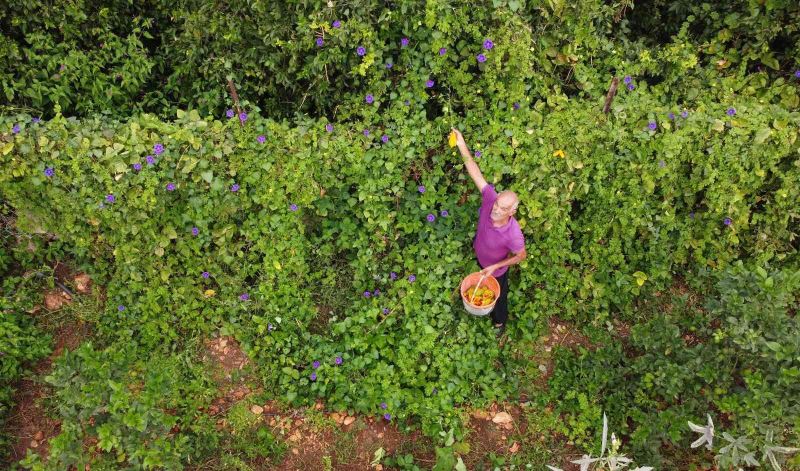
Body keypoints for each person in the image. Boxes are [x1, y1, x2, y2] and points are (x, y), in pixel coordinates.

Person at [451, 128, 526, 338]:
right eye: (497, 204)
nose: (495, 209)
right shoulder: (491, 198)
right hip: (481, 251)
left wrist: (496, 266)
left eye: (503, 209)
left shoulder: (513, 234)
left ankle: (500, 322)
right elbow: (474, 170)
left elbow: (521, 256)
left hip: (496, 270)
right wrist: (461, 144)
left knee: (500, 297)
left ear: (512, 212)